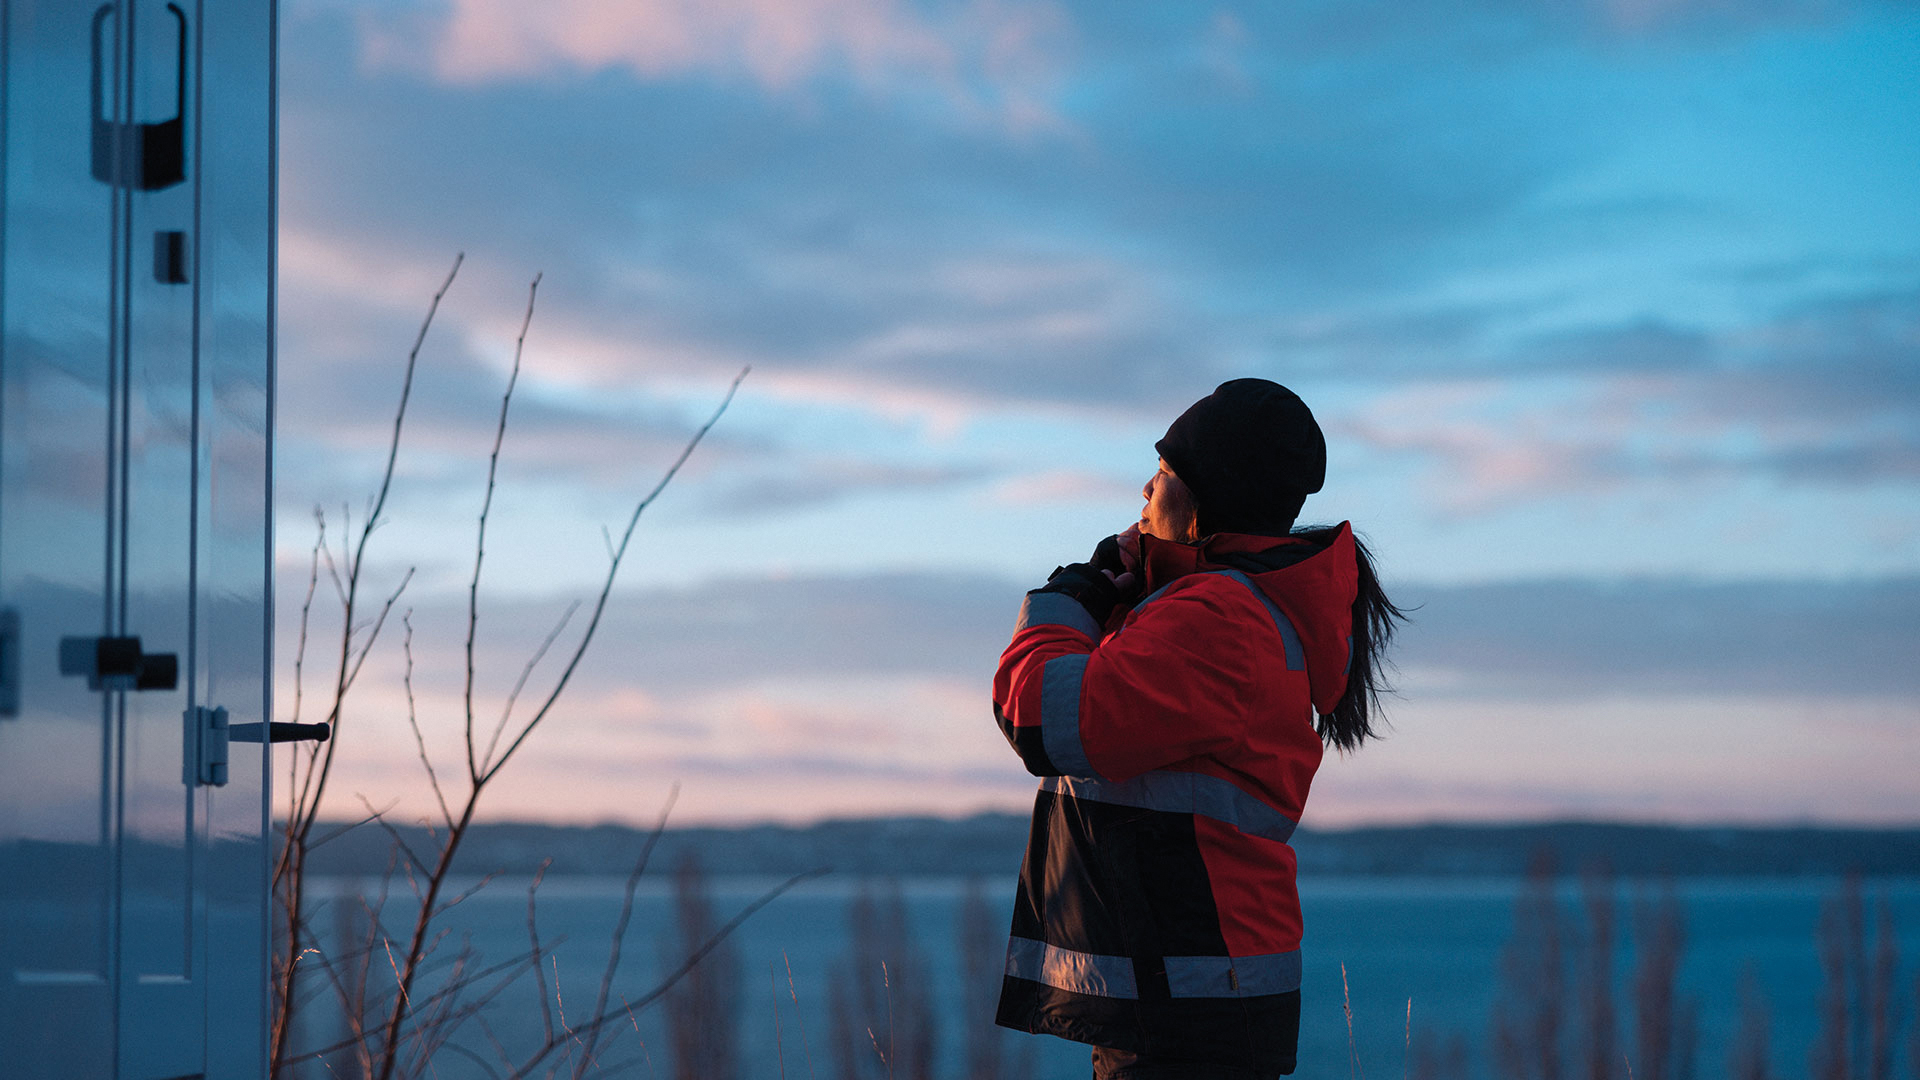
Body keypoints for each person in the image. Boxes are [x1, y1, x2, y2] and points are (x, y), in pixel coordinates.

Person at [990, 378, 1404, 1079]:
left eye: (1160, 476)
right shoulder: (1211, 611)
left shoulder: (1221, 622)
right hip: (1193, 999)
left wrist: (1068, 599)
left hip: (1187, 1014)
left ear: (1201, 497)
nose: (1143, 495)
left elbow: (1041, 718)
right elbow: (1133, 722)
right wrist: (1132, 584)